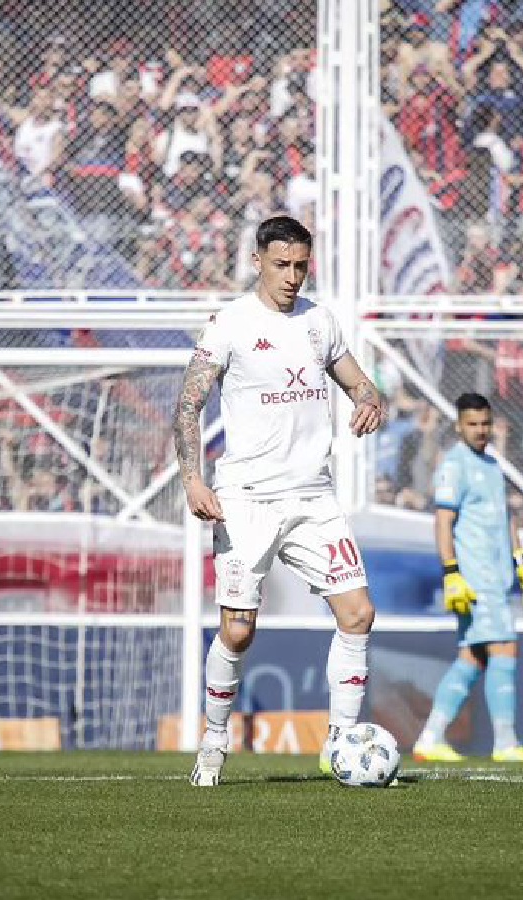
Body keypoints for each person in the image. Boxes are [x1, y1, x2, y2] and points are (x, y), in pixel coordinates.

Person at [174, 215, 386, 786]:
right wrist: (193, 480)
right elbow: (189, 404)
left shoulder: (320, 322)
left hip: (314, 499)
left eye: (300, 266)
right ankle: (214, 743)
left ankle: (341, 744)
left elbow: (359, 381)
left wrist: (371, 398)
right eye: (281, 265)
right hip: (245, 500)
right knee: (239, 629)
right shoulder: (230, 325)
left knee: (358, 613)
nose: (292, 277)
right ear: (258, 262)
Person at [412, 393, 523, 763]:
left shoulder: (491, 464)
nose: (480, 430)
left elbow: (506, 517)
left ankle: (429, 738)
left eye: (485, 424)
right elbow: (443, 522)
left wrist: (521, 560)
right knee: (504, 648)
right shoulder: (454, 466)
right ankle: (505, 743)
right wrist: (452, 573)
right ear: (459, 425)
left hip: (497, 575)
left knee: (473, 658)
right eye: (472, 424)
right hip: (475, 577)